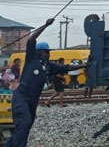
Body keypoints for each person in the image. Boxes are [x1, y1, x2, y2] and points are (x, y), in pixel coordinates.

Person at [5, 18, 89, 147]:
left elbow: (66, 68)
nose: (49, 54)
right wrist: (45, 25)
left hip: (32, 101)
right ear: (38, 53)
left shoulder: (50, 66)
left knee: (26, 126)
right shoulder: (31, 59)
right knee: (25, 123)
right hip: (21, 97)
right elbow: (31, 40)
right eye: (46, 52)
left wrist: (83, 66)